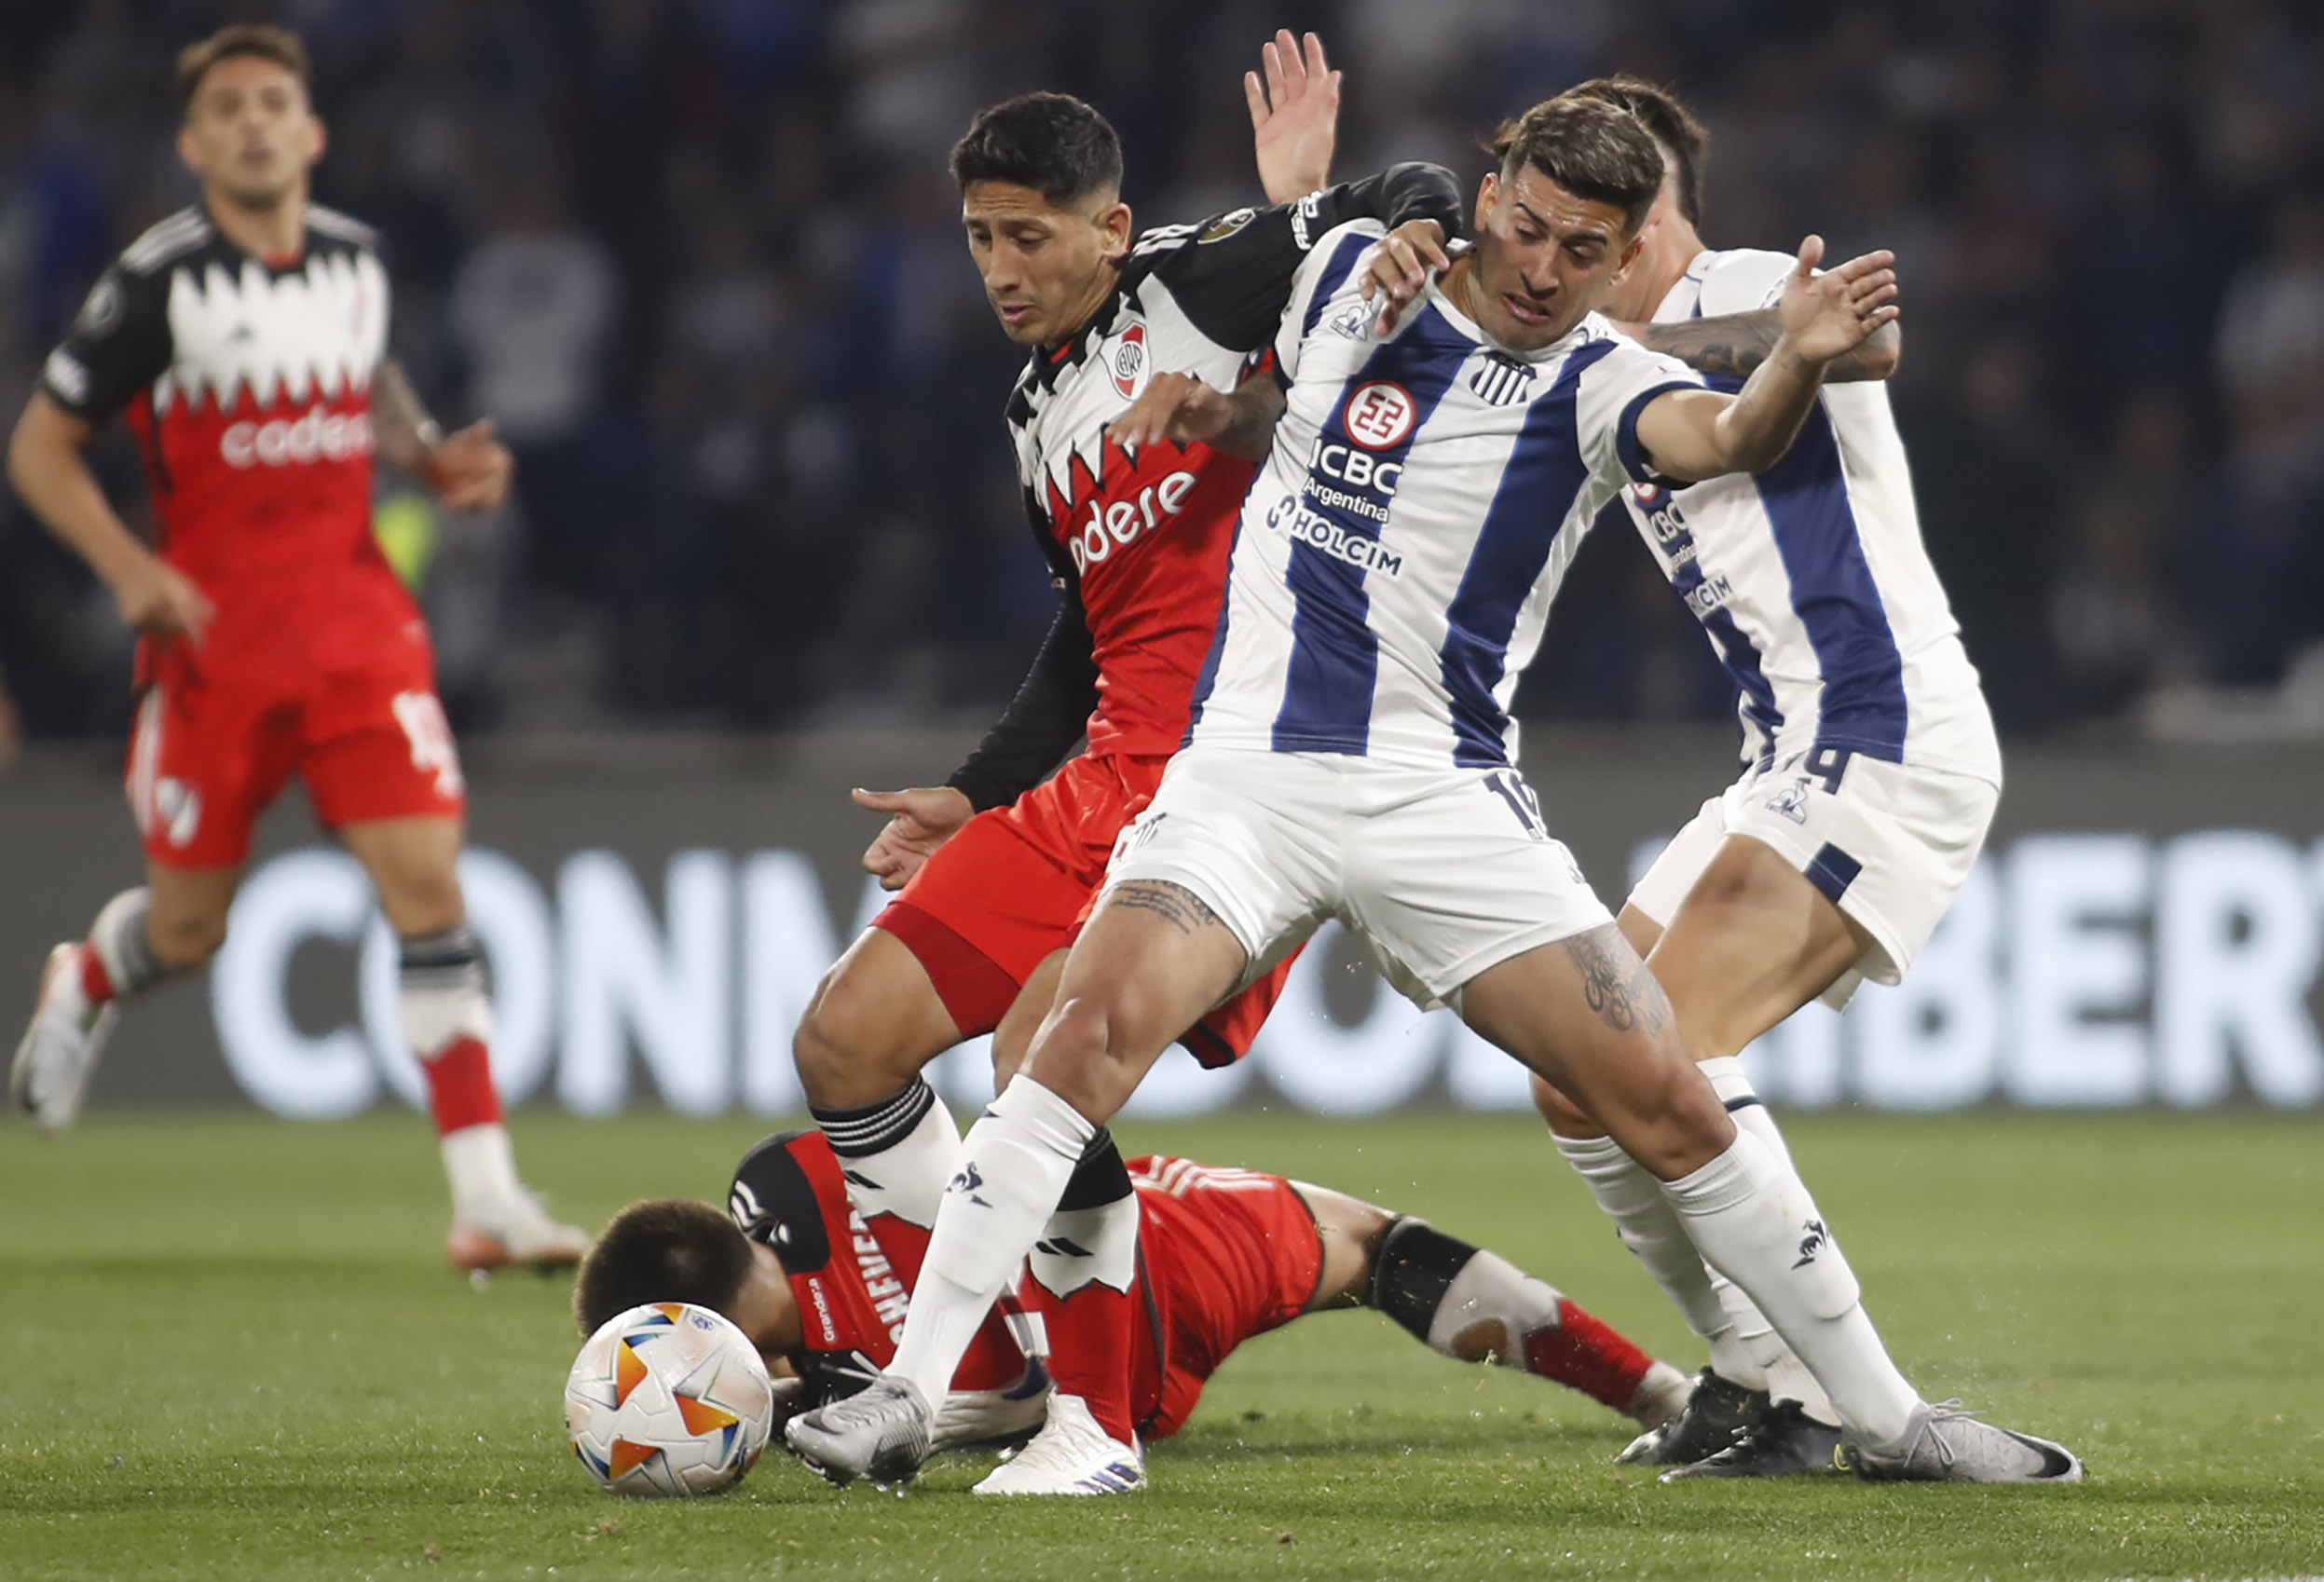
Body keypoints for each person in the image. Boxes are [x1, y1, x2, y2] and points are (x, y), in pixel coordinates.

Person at [786, 95, 2081, 1489]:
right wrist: (1228, 404)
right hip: (1248, 776)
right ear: (1490, 195)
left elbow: (1723, 441)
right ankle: (914, 1394)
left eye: (1582, 251)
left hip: (1442, 799)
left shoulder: (1598, 379)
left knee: (1663, 1098)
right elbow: (1292, 369)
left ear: (1620, 255)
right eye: (1522, 227)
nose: (1539, 268)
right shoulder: (1362, 272)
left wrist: (1793, 366)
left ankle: (1888, 1419)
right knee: (1080, 1036)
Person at [787, 37, 1470, 1472]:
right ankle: (985, 1371)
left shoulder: (1198, 277)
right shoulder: (1034, 409)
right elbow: (1087, 638)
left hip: (1234, 772)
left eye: (1028, 235)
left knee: (1046, 1042)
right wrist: (973, 789)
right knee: (843, 1042)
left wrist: (1402, 229)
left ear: (1108, 227)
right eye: (978, 238)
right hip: (1098, 774)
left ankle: (1094, 1423)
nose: (999, 269)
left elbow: (1407, 180)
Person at [1486, 77, 2011, 1480]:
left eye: (1588, 222)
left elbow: (1867, 337)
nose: (1555, 256)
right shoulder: (1591, 358)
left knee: (1673, 1052)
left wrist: (1657, 338)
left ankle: (1845, 1398)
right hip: (1783, 751)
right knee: (1575, 1072)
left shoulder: (1726, 284)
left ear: (1643, 208)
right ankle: (1755, 1374)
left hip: (1881, 736)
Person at [5, 25, 585, 1273]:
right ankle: (90, 974)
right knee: (187, 932)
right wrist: (131, 572)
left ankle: (485, 1198)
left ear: (313, 131)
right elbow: (39, 447)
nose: (257, 122)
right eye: (231, 108)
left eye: (277, 101)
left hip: (357, 627)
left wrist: (425, 451)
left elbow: (362, 379)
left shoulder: (359, 262)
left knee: (429, 887)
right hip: (212, 644)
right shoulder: (156, 282)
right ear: (195, 143)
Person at [577, 1125, 1692, 1494]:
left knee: (1342, 1239)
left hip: (1098, 1377)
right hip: (1136, 1261)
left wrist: (775, 1405)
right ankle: (1661, 1392)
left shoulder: (806, 1392)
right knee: (1363, 1241)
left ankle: (1096, 1431)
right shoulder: (793, 1178)